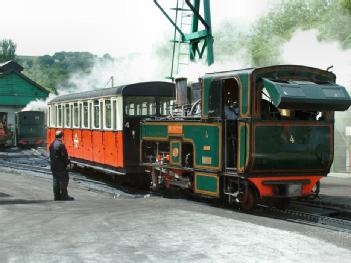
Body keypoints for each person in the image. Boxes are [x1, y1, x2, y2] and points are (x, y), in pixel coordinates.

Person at [49, 131, 74, 201]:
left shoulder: (52, 144)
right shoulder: (61, 145)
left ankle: (56, 196)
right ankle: (64, 196)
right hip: (61, 166)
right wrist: (68, 163)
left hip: (53, 166)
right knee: (64, 180)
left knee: (55, 180)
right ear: (62, 136)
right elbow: (64, 156)